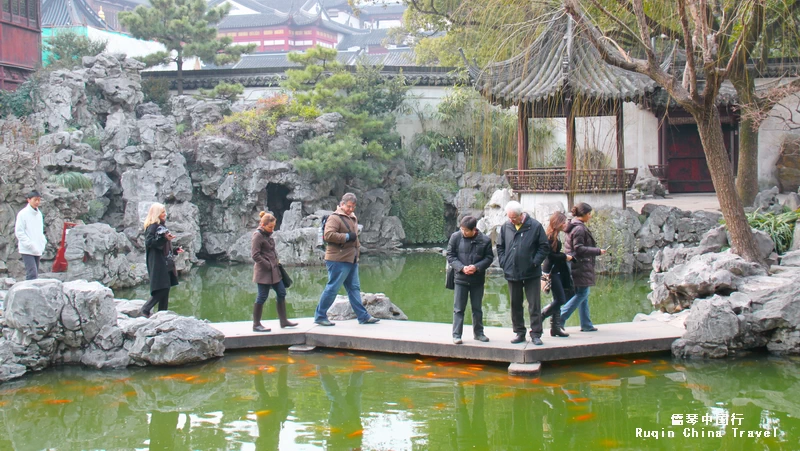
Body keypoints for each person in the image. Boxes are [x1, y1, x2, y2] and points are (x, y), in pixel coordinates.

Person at [313, 193, 379, 326]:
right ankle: (320, 315)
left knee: (354, 288)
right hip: (338, 259)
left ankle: (363, 316)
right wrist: (347, 237)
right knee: (332, 288)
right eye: (349, 206)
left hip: (351, 259)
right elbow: (328, 235)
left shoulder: (352, 217)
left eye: (353, 207)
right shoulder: (334, 218)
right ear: (342, 204)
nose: (351, 209)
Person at [496, 201, 550, 345]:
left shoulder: (535, 226)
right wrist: (503, 262)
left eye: (513, 217)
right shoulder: (506, 226)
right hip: (512, 271)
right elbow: (500, 246)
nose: (511, 220)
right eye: (509, 217)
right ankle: (519, 332)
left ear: (521, 215)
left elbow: (544, 247)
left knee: (534, 304)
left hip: (531, 272)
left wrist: (534, 262)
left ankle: (536, 334)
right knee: (515, 303)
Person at [446, 215, 494, 344]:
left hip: (477, 279)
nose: (463, 232)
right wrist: (462, 268)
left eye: (466, 230)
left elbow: (489, 257)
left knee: (477, 308)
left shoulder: (485, 240)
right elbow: (450, 255)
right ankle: (456, 335)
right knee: (458, 308)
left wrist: (476, 267)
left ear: (474, 229)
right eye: (462, 229)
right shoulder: (455, 237)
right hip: (460, 278)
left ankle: (479, 333)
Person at [559, 202, 607, 332]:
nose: (590, 216)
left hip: (574, 264)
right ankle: (560, 317)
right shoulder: (579, 228)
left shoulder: (573, 225)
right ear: (584, 214)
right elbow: (578, 249)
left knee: (582, 294)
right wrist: (597, 251)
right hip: (579, 264)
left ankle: (586, 324)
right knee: (582, 293)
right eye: (589, 214)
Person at [251, 211, 298, 332]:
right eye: (270, 227)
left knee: (281, 292)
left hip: (275, 270)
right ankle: (256, 324)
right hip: (264, 272)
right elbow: (255, 255)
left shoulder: (267, 235)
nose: (272, 229)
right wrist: (267, 264)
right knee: (262, 296)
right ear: (263, 224)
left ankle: (283, 321)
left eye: (273, 227)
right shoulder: (258, 236)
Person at [140, 203, 183, 318]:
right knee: (162, 288)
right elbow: (150, 243)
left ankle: (162, 314)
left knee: (166, 288)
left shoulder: (160, 226)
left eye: (164, 212)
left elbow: (163, 246)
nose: (165, 214)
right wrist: (164, 239)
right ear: (157, 214)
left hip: (164, 261)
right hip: (158, 262)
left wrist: (174, 250)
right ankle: (145, 309)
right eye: (162, 212)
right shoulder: (153, 226)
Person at [540, 211, 572, 338]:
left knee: (558, 299)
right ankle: (541, 315)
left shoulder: (555, 235)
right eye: (563, 222)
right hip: (552, 272)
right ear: (557, 223)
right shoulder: (549, 236)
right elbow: (550, 256)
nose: (565, 224)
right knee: (560, 299)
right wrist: (565, 256)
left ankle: (555, 328)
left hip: (557, 270)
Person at [15, 190, 47, 280]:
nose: (37, 202)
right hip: (27, 249)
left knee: (35, 274)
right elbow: (19, 232)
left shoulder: (39, 214)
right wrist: (29, 244)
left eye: (39, 200)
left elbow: (40, 231)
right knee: (32, 274)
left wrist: (43, 242)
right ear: (28, 200)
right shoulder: (23, 214)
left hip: (37, 248)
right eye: (35, 200)